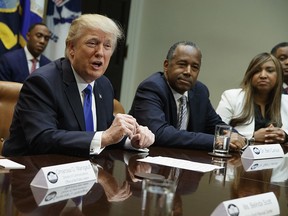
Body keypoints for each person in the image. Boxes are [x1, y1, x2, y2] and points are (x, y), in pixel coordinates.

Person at [2, 14, 154, 157]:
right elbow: (42, 139)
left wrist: (131, 140)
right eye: (92, 43)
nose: (100, 52)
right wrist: (105, 137)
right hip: (29, 175)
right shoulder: (42, 82)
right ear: (71, 48)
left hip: (81, 174)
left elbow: (104, 132)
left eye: (107, 46)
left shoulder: (104, 85)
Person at [129, 41, 245, 151]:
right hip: (147, 163)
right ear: (166, 65)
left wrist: (237, 137)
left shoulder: (200, 91)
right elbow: (159, 133)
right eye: (182, 64)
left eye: (194, 67)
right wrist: (216, 141)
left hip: (184, 162)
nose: (188, 72)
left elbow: (215, 125)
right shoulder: (152, 88)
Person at [216, 52, 288, 144]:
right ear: (250, 75)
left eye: (269, 71)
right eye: (257, 71)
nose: (263, 75)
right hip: (238, 156)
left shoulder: (286, 101)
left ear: (278, 77)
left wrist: (285, 136)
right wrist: (252, 136)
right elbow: (217, 132)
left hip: (279, 157)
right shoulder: (231, 97)